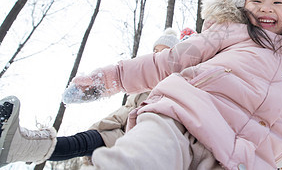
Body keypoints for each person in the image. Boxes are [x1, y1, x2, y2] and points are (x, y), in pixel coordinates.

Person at [1, 0, 282, 169]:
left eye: (278, 2)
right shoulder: (231, 32)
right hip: (182, 118)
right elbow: (169, 62)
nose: (266, 8)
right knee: (134, 159)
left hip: (245, 159)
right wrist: (108, 79)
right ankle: (24, 145)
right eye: (256, 0)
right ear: (241, 4)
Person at [0, 28, 180, 167]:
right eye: (155, 50)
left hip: (138, 142)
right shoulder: (141, 84)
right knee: (78, 142)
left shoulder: (173, 83)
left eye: (163, 51)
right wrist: (100, 126)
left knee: (79, 143)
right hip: (116, 133)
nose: (157, 54)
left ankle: (20, 147)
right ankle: (20, 145)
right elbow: (123, 112)